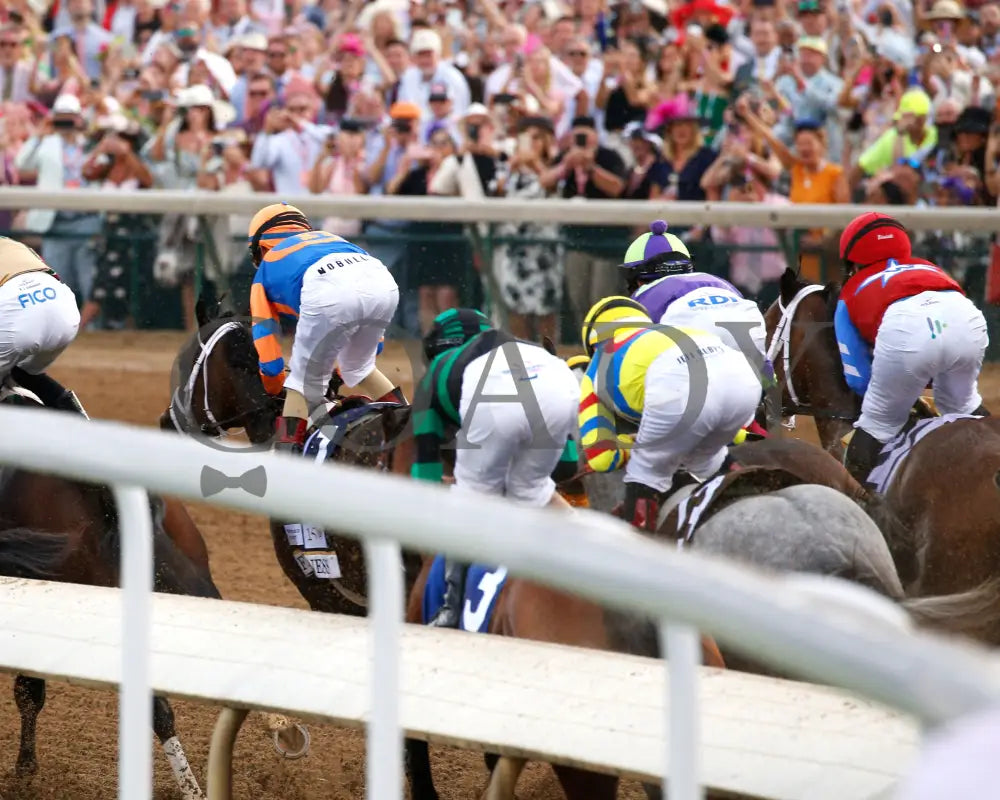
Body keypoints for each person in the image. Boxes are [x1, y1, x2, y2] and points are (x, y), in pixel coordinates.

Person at [412, 308, 580, 628]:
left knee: (470, 497)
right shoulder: (534, 348)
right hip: (560, 382)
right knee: (532, 489)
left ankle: (450, 606)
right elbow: (567, 469)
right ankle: (596, 557)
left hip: (493, 395)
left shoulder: (437, 372)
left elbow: (425, 475)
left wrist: (461, 485)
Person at [579, 296, 762, 531]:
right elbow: (732, 432)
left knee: (645, 472)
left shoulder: (595, 367)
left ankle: (638, 552)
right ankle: (755, 491)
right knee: (707, 458)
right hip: (743, 378)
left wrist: (629, 444)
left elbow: (602, 459)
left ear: (592, 343)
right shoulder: (675, 330)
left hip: (680, 391)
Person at [835, 211, 990, 486]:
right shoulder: (929, 266)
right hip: (965, 316)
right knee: (963, 405)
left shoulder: (849, 292)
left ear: (852, 262)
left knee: (877, 424)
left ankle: (860, 506)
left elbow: (857, 379)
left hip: (906, 331)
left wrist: (902, 394)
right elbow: (944, 335)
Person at [247, 202, 406, 455]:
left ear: (262, 246)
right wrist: (343, 371)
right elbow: (376, 344)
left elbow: (268, 353)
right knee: (361, 367)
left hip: (325, 288)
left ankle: (286, 464)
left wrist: (275, 386)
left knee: (302, 384)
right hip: (383, 281)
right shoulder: (331, 238)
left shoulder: (265, 270)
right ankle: (407, 427)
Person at [621, 220, 769, 366]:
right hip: (755, 350)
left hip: (697, 366)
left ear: (637, 280)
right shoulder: (720, 282)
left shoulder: (645, 299)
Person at [0, 236, 87, 416]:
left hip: (13, 311)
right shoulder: (11, 243)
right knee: (25, 374)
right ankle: (82, 424)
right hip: (64, 309)